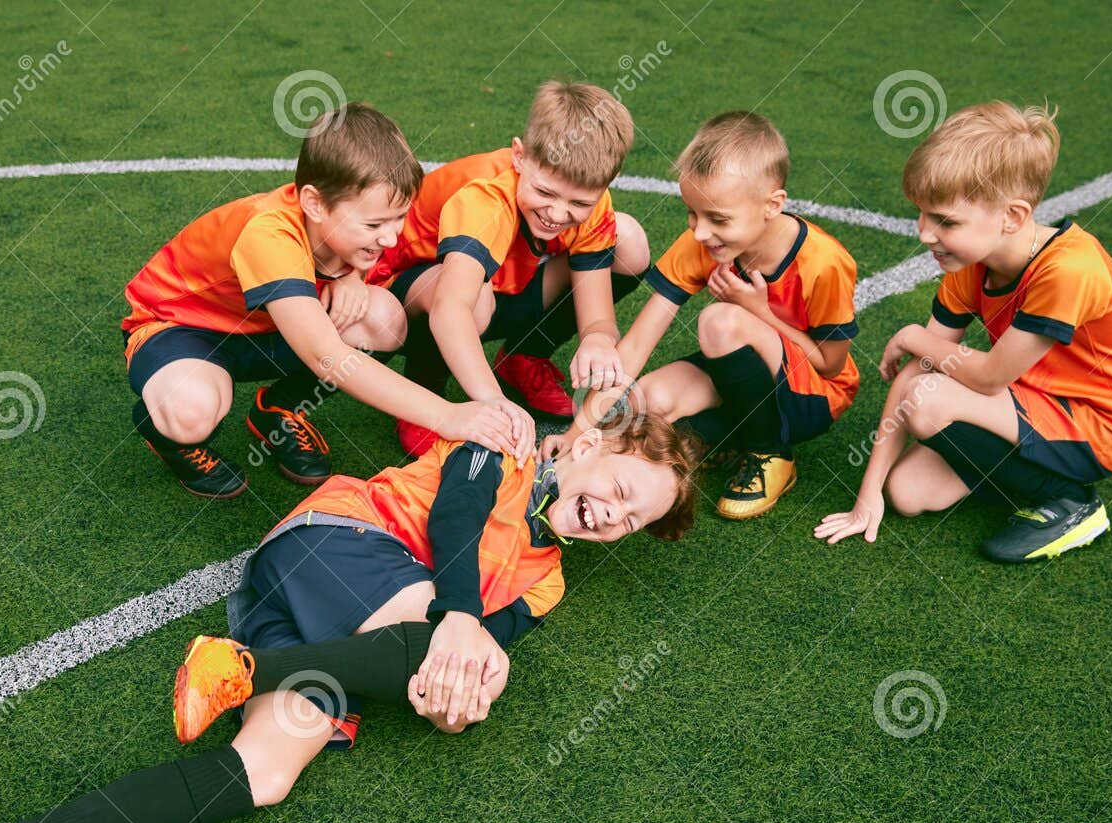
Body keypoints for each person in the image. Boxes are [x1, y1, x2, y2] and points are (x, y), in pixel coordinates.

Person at [0, 417, 701, 823]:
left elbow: (467, 658)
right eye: (624, 488)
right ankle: (245, 669)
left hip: (344, 632)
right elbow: (457, 519)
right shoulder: (504, 449)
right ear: (593, 444)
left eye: (635, 520)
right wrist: (461, 624)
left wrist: (458, 701)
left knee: (266, 773)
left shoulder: (549, 583)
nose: (617, 516)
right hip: (333, 544)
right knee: (447, 635)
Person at [122, 102, 532, 498]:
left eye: (398, 218)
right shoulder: (268, 234)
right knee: (191, 408)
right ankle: (167, 433)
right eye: (374, 224)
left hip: (269, 329)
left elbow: (357, 271)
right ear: (314, 203)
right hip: (183, 327)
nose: (390, 238)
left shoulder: (346, 227)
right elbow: (326, 356)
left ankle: (279, 409)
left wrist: (353, 274)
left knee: (383, 317)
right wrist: (448, 415)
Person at [815, 102, 1112, 562]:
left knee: (929, 400)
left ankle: (1072, 502)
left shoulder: (1068, 270)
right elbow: (918, 371)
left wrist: (915, 335)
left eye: (945, 221)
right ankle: (1017, 473)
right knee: (906, 492)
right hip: (1033, 400)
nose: (924, 234)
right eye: (922, 213)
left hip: (1099, 423)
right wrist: (867, 494)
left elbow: (990, 377)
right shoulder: (970, 264)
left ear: (1012, 217)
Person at [548, 111, 859, 520]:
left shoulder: (824, 262)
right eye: (692, 213)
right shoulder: (702, 243)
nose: (699, 232)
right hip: (747, 369)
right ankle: (734, 435)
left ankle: (771, 454)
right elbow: (637, 345)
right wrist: (578, 432)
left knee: (719, 322)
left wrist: (756, 310)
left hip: (814, 396)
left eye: (718, 218)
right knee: (649, 398)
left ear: (773, 204)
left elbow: (832, 365)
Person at [369, 81, 650, 454]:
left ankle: (524, 356)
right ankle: (426, 395)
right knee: (473, 300)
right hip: (397, 293)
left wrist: (597, 339)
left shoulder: (593, 201)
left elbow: (597, 316)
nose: (557, 213)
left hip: (502, 282)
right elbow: (450, 309)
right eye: (546, 193)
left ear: (606, 183)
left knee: (629, 241)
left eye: (579, 202)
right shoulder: (487, 197)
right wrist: (493, 401)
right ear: (519, 156)